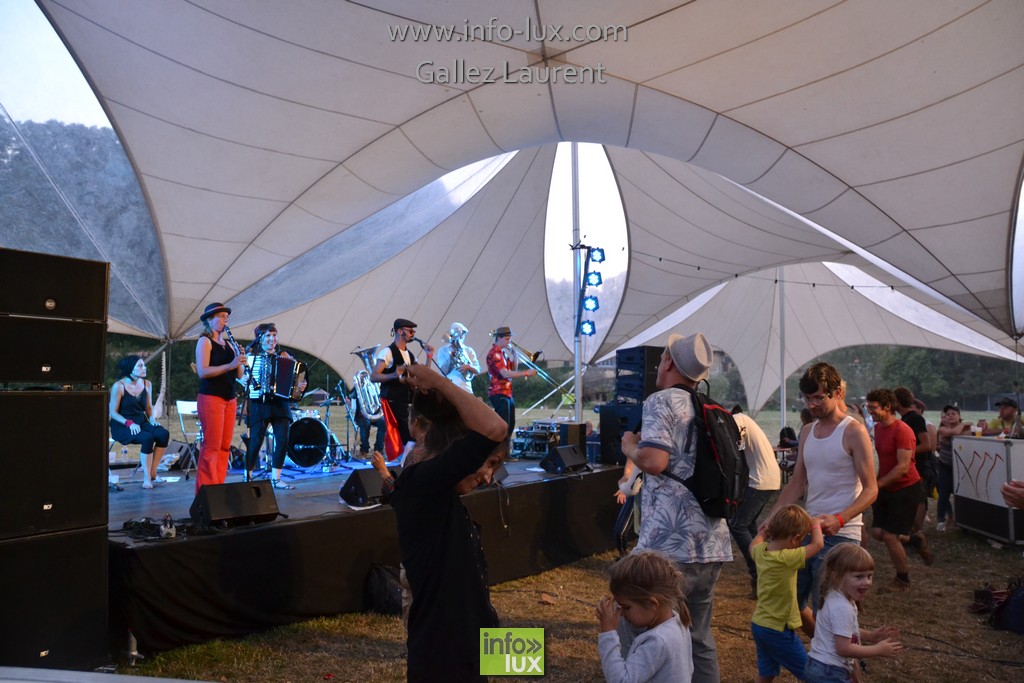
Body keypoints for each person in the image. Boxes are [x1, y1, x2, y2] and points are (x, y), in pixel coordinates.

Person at [620, 332, 731, 683]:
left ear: (668, 361)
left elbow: (654, 461)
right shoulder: (707, 406)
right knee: (698, 637)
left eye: (662, 358)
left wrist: (629, 447)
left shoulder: (661, 401)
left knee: (635, 624)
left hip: (668, 544)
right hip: (711, 541)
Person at [386, 363, 508, 682]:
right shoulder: (421, 486)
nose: (487, 477)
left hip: (469, 647)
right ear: (458, 451)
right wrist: (440, 383)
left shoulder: (441, 497)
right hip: (443, 658)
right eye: (487, 463)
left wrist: (508, 653)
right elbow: (496, 428)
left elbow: (470, 592)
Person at [765, 362, 877, 634]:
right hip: (807, 531)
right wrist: (772, 518)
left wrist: (840, 519)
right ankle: (823, 648)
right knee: (790, 602)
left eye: (818, 397)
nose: (812, 405)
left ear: (838, 393)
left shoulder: (853, 431)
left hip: (841, 536)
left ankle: (835, 654)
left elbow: (871, 489)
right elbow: (797, 483)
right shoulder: (807, 432)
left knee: (829, 611)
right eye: (807, 398)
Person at [804, 545, 903, 683]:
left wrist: (870, 636)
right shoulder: (842, 607)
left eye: (869, 576)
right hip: (829, 672)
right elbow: (844, 649)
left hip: (819, 665)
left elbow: (841, 630)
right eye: (859, 577)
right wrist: (878, 650)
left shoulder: (834, 595)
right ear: (837, 576)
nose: (866, 582)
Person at [749, 505, 824, 683]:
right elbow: (818, 545)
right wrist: (815, 524)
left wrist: (763, 532)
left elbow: (753, 544)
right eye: (801, 539)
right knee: (810, 672)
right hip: (777, 629)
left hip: (759, 624)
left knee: (766, 671)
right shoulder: (787, 558)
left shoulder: (760, 552)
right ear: (795, 539)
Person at [865, 388, 931, 590]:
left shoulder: (903, 430)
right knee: (877, 533)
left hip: (906, 488)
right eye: (868, 408)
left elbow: (902, 468)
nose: (870, 412)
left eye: (873, 408)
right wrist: (877, 480)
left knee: (890, 536)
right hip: (886, 485)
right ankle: (914, 539)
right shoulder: (878, 428)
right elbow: (885, 461)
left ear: (887, 407)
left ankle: (903, 579)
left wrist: (876, 485)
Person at [596, 550, 694, 683]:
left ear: (652, 604)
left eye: (626, 607)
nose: (622, 614)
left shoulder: (657, 641)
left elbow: (621, 680)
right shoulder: (676, 621)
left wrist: (608, 633)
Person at [242, 323, 306, 489]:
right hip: (259, 402)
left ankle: (276, 479)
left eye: (274, 335)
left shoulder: (284, 356)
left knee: (283, 439)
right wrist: (244, 382)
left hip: (280, 403)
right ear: (260, 338)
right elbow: (240, 376)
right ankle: (248, 476)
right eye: (268, 335)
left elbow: (297, 380)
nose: (272, 339)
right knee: (256, 440)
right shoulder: (252, 357)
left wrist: (300, 386)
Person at [729, 412, 782, 598]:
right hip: (765, 479)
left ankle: (760, 572)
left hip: (761, 480)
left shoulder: (738, 420)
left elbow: (732, 449)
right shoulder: (743, 420)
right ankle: (764, 573)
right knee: (748, 525)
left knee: (737, 524)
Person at [194, 302, 246, 492]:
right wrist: (230, 365)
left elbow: (239, 375)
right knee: (212, 446)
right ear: (210, 320)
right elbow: (203, 371)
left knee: (224, 447)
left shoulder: (229, 344)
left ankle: (218, 486)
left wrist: (240, 359)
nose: (226, 320)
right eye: (221, 316)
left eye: (227, 317)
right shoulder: (205, 341)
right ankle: (205, 492)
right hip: (211, 398)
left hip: (229, 398)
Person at [371, 318, 433, 459]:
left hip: (407, 400)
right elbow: (373, 376)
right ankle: (404, 462)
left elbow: (423, 375)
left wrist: (429, 357)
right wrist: (393, 375)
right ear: (400, 331)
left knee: (412, 434)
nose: (413, 334)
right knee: (407, 434)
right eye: (410, 331)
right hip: (393, 400)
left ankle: (407, 461)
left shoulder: (410, 355)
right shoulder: (387, 352)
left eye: (413, 332)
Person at [109, 354, 170, 489]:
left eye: (144, 365)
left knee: (163, 434)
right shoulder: (119, 386)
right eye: (140, 365)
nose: (145, 368)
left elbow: (148, 408)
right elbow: (112, 413)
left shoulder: (147, 384)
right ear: (131, 368)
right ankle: (147, 479)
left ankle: (153, 472)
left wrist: (152, 420)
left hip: (141, 421)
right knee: (147, 438)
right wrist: (129, 423)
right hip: (122, 424)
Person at [893, 388, 935, 536]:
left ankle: (917, 533)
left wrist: (905, 453)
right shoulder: (904, 419)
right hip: (910, 467)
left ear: (897, 401)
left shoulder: (916, 419)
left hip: (920, 468)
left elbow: (926, 445)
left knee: (919, 499)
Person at [485, 326, 536, 444]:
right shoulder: (494, 354)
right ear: (499, 338)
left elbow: (513, 369)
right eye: (507, 339)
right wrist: (526, 373)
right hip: (498, 392)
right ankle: (500, 449)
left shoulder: (503, 353)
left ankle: (506, 448)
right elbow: (505, 373)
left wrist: (515, 356)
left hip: (507, 392)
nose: (509, 342)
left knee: (510, 424)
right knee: (503, 426)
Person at [936, 404, 970, 531]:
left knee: (961, 494)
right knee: (943, 494)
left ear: (959, 416)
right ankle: (940, 520)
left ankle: (962, 520)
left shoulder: (965, 429)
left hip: (960, 467)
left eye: (953, 414)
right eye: (948, 414)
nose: (950, 416)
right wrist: (963, 425)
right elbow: (955, 433)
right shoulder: (942, 429)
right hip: (945, 466)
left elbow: (972, 433)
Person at [436, 322, 481, 394]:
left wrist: (468, 366)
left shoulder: (468, 350)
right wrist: (450, 358)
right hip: (450, 387)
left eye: (462, 334)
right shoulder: (443, 350)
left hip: (466, 388)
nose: (460, 337)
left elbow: (478, 369)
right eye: (458, 334)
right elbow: (442, 372)